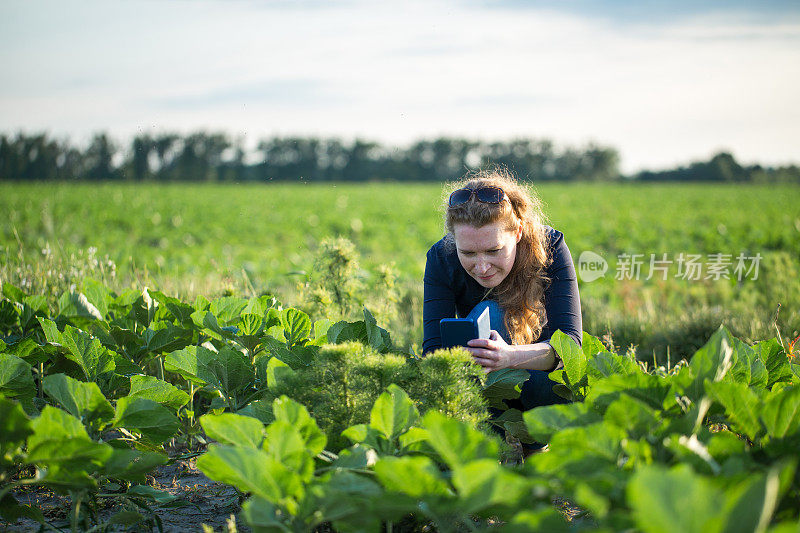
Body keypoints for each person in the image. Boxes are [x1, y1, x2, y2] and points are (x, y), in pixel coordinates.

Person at [422, 167, 582, 419]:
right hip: (482, 386)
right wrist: (458, 357)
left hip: (543, 383)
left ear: (517, 232)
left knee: (493, 315)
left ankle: (535, 441)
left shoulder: (551, 246)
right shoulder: (441, 257)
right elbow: (432, 350)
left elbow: (570, 346)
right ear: (454, 241)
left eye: (494, 250)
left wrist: (509, 357)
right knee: (485, 318)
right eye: (468, 253)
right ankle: (490, 438)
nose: (482, 266)